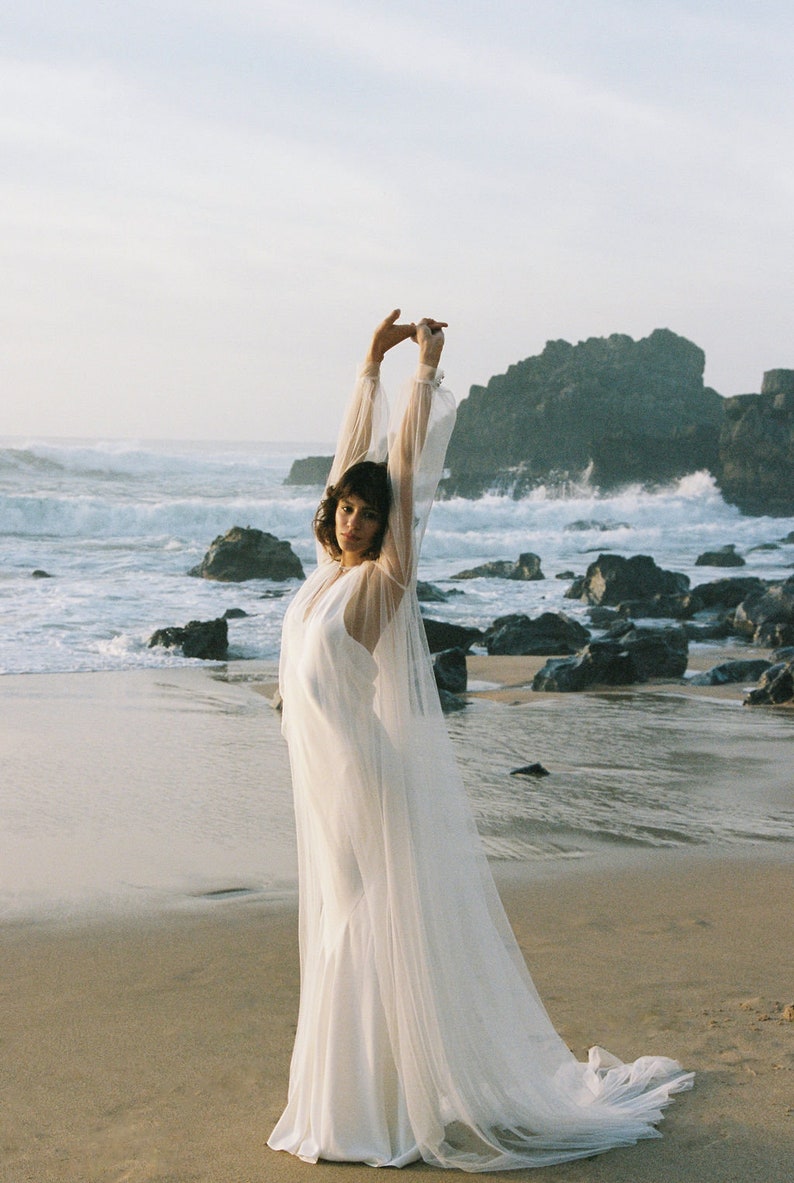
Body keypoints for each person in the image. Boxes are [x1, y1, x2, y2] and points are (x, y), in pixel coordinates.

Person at [268, 311, 693, 1171]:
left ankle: (373, 1111)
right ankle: (358, 1100)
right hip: (324, 786)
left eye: (365, 514)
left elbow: (406, 476)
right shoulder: (324, 578)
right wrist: (366, 369)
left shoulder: (379, 584)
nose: (353, 520)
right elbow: (352, 461)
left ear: (385, 527)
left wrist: (423, 376)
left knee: (364, 930)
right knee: (348, 930)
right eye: (344, 508)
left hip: (366, 784)